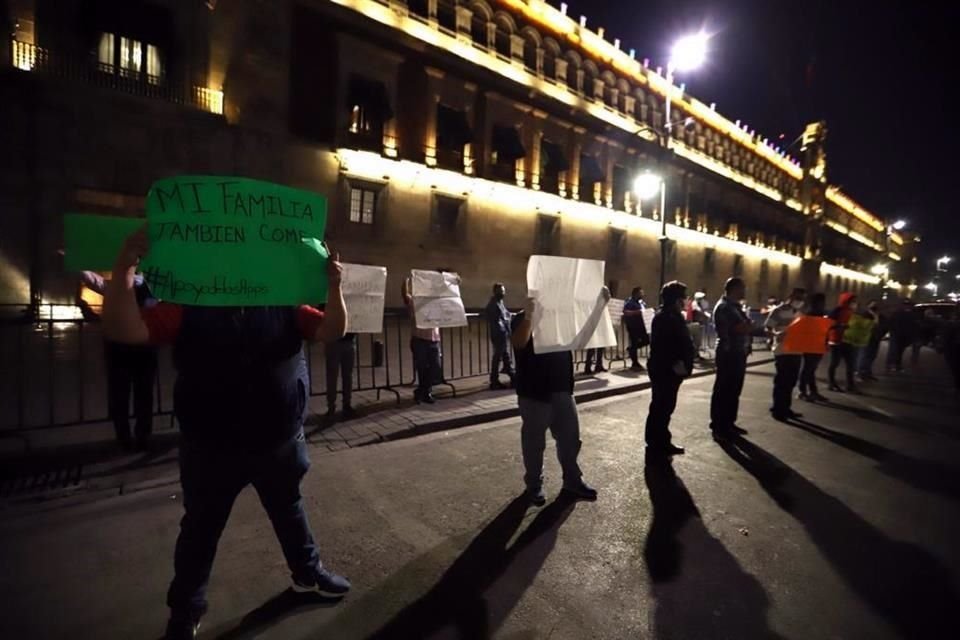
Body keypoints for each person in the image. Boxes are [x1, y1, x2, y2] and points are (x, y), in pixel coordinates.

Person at [101, 229, 352, 640]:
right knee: (201, 527)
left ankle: (308, 575)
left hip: (279, 440)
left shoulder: (283, 303)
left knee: (289, 509)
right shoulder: (190, 304)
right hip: (212, 446)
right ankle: (185, 611)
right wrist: (124, 267)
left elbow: (331, 331)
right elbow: (125, 330)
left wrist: (334, 286)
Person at [510, 289, 609, 506]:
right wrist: (529, 316)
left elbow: (582, 339)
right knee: (534, 443)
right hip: (534, 393)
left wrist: (599, 307)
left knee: (570, 440)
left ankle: (572, 480)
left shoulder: (561, 321)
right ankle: (534, 486)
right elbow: (518, 343)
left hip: (562, 390)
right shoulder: (520, 317)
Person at [81, 270, 158, 451]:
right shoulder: (153, 289)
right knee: (143, 394)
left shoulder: (115, 287)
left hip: (120, 348)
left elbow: (93, 280)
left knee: (121, 395)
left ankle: (125, 437)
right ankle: (142, 436)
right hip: (143, 347)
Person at [645, 281, 695, 457]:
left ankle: (660, 440)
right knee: (661, 406)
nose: (686, 301)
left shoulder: (672, 315)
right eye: (684, 297)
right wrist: (678, 365)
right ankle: (656, 443)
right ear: (676, 299)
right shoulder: (666, 317)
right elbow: (666, 347)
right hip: (666, 371)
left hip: (669, 370)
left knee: (664, 407)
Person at [710, 277, 753, 439]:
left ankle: (729, 423)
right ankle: (718, 426)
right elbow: (736, 328)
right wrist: (747, 327)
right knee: (723, 390)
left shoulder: (735, 307)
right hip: (728, 352)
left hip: (738, 352)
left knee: (734, 389)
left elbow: (746, 326)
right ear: (734, 289)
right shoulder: (724, 307)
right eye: (742, 288)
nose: (744, 292)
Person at [765, 287, 806, 421]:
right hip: (782, 350)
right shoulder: (779, 310)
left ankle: (786, 408)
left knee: (791, 381)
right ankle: (778, 409)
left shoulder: (801, 313)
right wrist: (776, 334)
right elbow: (767, 327)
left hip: (796, 350)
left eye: (802, 299)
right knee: (782, 380)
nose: (800, 301)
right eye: (798, 298)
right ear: (791, 296)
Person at [402, 274, 443, 404]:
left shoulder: (437, 302)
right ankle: (426, 392)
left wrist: (452, 281)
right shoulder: (415, 301)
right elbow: (405, 295)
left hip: (433, 340)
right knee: (422, 368)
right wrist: (406, 282)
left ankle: (421, 391)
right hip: (419, 339)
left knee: (435, 367)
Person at [798, 293, 829, 402]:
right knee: (808, 368)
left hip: (818, 344)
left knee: (811, 369)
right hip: (811, 345)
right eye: (822, 302)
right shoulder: (810, 314)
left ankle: (812, 391)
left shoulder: (821, 314)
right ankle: (803, 391)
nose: (823, 304)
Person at [827, 292, 860, 393]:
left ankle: (850, 385)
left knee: (851, 364)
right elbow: (829, 324)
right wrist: (840, 325)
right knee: (834, 363)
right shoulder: (837, 310)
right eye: (852, 301)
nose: (854, 303)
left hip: (847, 340)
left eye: (855, 301)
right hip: (836, 340)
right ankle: (831, 383)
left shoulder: (851, 311)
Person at [485, 282, 516, 389]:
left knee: (504, 356)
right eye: (501, 291)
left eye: (503, 291)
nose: (503, 293)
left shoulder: (499, 302)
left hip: (501, 334)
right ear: (496, 292)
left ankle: (511, 375)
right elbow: (497, 318)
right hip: (499, 334)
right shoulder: (494, 304)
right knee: (498, 357)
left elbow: (505, 314)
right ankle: (494, 380)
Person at [325, 332, 357, 420]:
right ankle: (334, 405)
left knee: (344, 376)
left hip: (345, 341)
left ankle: (342, 404)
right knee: (336, 376)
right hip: (336, 341)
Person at [887, 299, 921, 373]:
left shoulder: (912, 314)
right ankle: (892, 364)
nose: (907, 307)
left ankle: (897, 365)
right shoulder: (897, 313)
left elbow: (915, 326)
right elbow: (892, 323)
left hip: (905, 336)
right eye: (905, 305)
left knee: (899, 351)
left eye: (908, 305)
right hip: (897, 335)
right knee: (894, 350)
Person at [856, 300, 885, 381]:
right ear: (868, 306)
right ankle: (860, 373)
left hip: (875, 338)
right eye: (873, 306)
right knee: (864, 356)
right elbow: (867, 326)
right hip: (866, 338)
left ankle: (868, 372)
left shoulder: (879, 315)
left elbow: (883, 325)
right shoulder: (865, 315)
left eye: (876, 306)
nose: (874, 308)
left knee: (872, 356)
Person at [623, 286, 650, 371]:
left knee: (647, 340)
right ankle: (635, 363)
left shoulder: (642, 303)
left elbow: (645, 311)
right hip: (633, 326)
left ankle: (631, 349)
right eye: (641, 293)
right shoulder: (629, 302)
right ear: (635, 293)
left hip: (642, 326)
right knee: (634, 342)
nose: (642, 294)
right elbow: (625, 312)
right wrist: (636, 312)